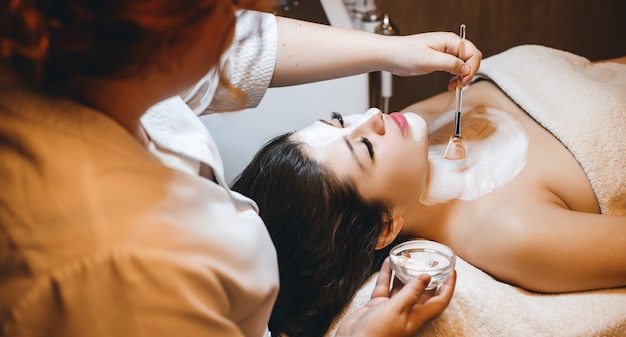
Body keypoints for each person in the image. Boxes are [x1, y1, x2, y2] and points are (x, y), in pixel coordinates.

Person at [0, 1, 482, 336]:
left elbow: (232, 54)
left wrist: (391, 51)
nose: (251, 20)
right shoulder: (124, 270)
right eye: (230, 11)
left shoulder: (97, 65)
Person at [232, 45, 626, 337]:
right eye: (365, 148)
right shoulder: (514, 232)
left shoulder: (415, 133)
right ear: (385, 228)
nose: (371, 117)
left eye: (337, 122)